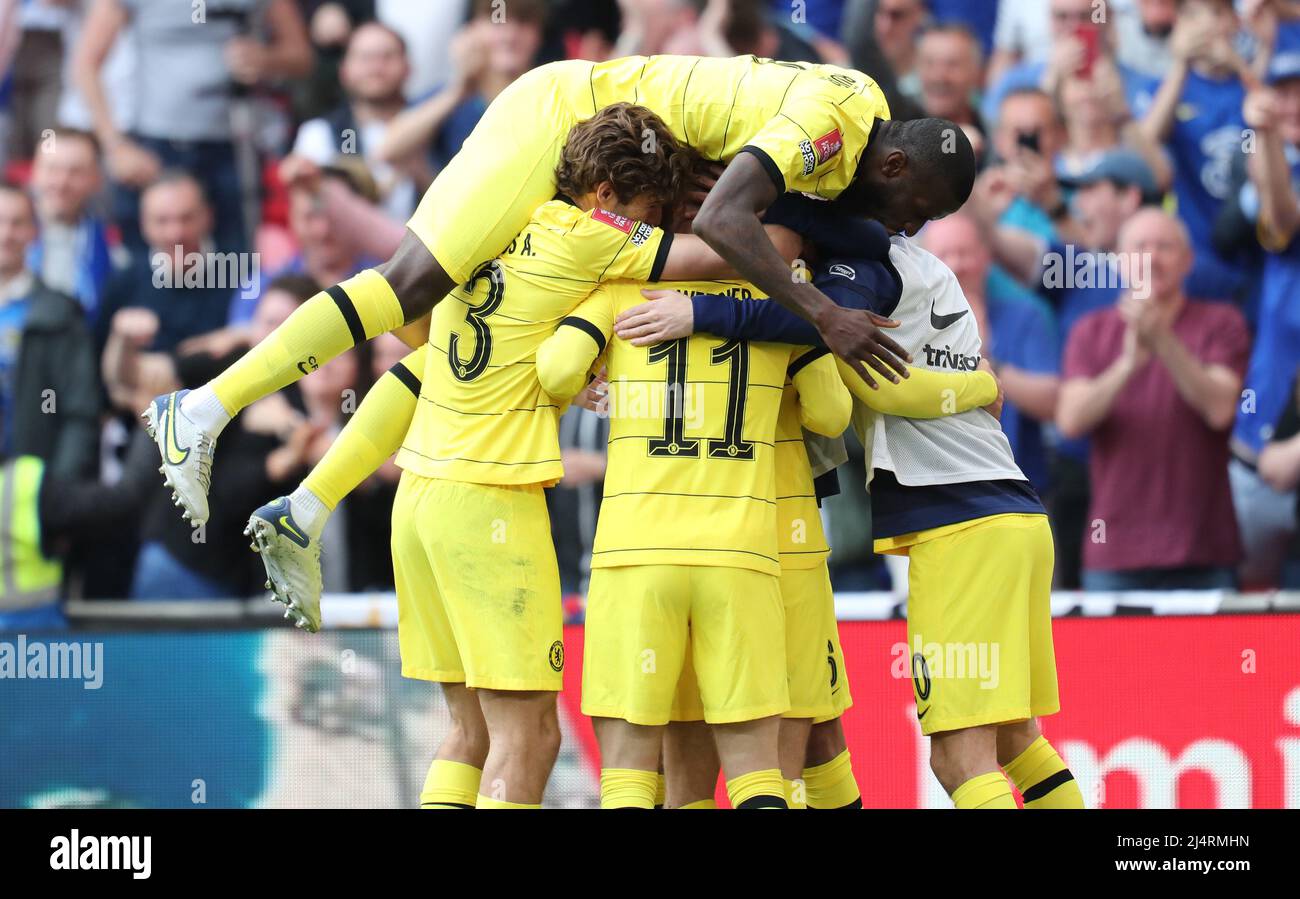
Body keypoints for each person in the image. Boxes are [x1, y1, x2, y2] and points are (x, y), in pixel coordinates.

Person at [146, 52, 978, 527]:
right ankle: (203, 411)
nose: (910, 229)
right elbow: (728, 220)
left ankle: (303, 509)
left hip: (614, 157)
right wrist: (825, 314)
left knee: (464, 331)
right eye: (917, 211)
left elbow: (741, 192)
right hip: (558, 116)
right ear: (895, 166)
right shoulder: (836, 121)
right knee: (413, 289)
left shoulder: (859, 113)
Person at [245, 105, 797, 809]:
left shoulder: (481, 223)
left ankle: (307, 503)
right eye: (649, 211)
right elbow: (723, 250)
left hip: (420, 498)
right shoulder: (597, 237)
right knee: (531, 734)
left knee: (469, 733)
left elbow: (415, 343)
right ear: (604, 197)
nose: (655, 227)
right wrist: (809, 225)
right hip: (490, 500)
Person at [617, 208, 1081, 810]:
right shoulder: (921, 265)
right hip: (1011, 513)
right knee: (1014, 738)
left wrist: (700, 313)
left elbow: (858, 378)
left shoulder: (852, 278)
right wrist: (983, 385)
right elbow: (833, 402)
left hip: (953, 525)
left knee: (955, 755)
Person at [1057, 209, 1249, 590]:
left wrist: (1164, 340)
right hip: (1115, 553)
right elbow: (1071, 419)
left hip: (1204, 550)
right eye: (1140, 247)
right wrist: (1128, 366)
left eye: (1165, 247)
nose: (1152, 258)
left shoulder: (1222, 323)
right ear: (1119, 262)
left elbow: (1220, 409)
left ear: (1188, 261)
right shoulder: (1090, 332)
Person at [1230, 50, 1300, 586]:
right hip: (1260, 456)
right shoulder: (1277, 171)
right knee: (1250, 635)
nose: (1292, 102)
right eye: (1285, 90)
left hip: (1284, 454)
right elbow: (1279, 220)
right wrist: (1270, 137)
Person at [0, 184, 98, 482]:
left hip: (29, 492)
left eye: (17, 223)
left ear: (34, 232)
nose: (5, 234)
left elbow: (80, 414)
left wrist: (58, 491)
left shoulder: (60, 313)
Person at [292, 22, 423, 220]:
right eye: (365, 58)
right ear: (344, 70)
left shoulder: (435, 126)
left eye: (387, 57)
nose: (376, 68)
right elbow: (311, 213)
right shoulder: (319, 133)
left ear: (408, 68)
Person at [26, 128, 113, 326]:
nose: (62, 182)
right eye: (52, 169)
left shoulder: (113, 251)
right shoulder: (6, 233)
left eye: (75, 172)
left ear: (96, 179)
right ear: (34, 172)